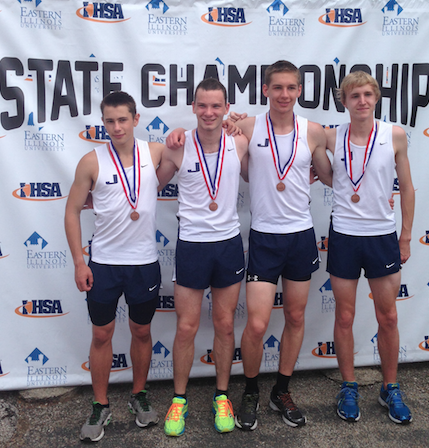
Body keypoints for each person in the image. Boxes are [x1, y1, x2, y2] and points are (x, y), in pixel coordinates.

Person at [167, 61, 326, 430]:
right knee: (253, 325)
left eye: (291, 87)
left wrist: (376, 193)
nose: (284, 94)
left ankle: (280, 391)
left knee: (295, 317)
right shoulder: (246, 129)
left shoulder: (313, 132)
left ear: (299, 90)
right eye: (277, 87)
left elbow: (342, 164)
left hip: (301, 234)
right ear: (266, 90)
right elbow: (151, 177)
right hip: (260, 237)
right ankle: (247, 391)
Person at [313, 71, 415, 424]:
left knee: (388, 316)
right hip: (344, 234)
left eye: (368, 94)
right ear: (344, 101)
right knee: (344, 316)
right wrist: (234, 121)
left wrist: (405, 236)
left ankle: (390, 387)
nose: (362, 101)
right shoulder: (330, 135)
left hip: (382, 236)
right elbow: (289, 132)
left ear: (376, 98)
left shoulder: (394, 135)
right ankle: (349, 385)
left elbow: (409, 188)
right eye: (355, 95)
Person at [65, 91, 164, 442]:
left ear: (136, 119)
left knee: (140, 332)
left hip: (143, 264)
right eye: (109, 121)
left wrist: (232, 125)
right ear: (103, 123)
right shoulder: (92, 161)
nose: (116, 127)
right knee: (101, 335)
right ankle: (101, 403)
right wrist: (80, 262)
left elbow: (198, 145)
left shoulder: (154, 152)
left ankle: (138, 395)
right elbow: (72, 211)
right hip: (104, 264)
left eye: (123, 119)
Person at [156, 78, 249, 436]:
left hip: (227, 244)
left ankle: (221, 396)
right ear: (194, 108)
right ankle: (179, 400)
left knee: (225, 325)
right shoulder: (178, 148)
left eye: (216, 106)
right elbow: (151, 185)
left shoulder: (238, 142)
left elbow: (268, 169)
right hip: (192, 245)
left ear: (226, 109)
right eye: (202, 105)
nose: (209, 112)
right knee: (187, 327)